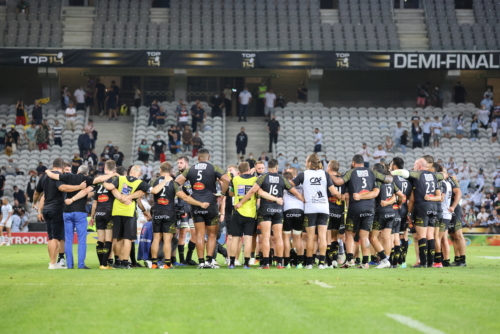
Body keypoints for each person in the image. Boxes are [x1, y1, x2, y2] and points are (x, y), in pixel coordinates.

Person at [236, 159, 303, 269]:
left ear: (267, 168)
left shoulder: (263, 177)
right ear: (277, 168)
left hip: (265, 208)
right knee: (278, 237)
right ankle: (280, 263)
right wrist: (303, 200)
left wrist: (241, 202)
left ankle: (266, 263)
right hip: (278, 209)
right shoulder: (282, 178)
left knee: (266, 237)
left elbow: (253, 191)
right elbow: (295, 192)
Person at [175, 148, 230, 269]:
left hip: (195, 204)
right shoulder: (214, 168)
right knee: (212, 235)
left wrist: (185, 196)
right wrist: (222, 193)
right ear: (208, 157)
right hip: (211, 203)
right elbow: (226, 179)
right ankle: (209, 261)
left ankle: (201, 262)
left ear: (198, 157)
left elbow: (176, 182)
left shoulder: (190, 169)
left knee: (199, 234)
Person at [150, 162, 210, 269]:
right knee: (168, 240)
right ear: (171, 171)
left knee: (156, 238)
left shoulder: (154, 181)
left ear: (160, 170)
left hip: (157, 211)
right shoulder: (174, 183)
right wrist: (200, 204)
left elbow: (150, 192)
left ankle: (154, 263)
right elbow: (185, 198)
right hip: (169, 212)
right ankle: (167, 264)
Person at [33, 158, 87, 269]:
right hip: (56, 209)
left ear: (53, 165)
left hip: (47, 209)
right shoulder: (59, 177)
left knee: (51, 237)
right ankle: (53, 263)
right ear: (62, 167)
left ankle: (54, 261)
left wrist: (35, 203)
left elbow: (37, 193)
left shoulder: (43, 177)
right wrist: (79, 187)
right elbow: (62, 188)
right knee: (56, 238)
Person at [290, 154, 342, 269]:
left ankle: (309, 263)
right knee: (322, 237)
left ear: (309, 163)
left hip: (310, 208)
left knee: (310, 237)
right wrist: (340, 196)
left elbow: (290, 185)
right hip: (323, 208)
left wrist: (299, 196)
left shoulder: (303, 174)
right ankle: (322, 264)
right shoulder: (325, 174)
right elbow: (334, 192)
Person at [331, 155, 382, 268]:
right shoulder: (372, 173)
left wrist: (328, 173)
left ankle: (350, 260)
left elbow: (339, 182)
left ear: (353, 162)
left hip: (355, 208)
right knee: (364, 236)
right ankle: (365, 262)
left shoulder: (351, 172)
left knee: (349, 234)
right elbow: (387, 179)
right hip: (369, 208)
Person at [45, 166, 100, 269]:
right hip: (79, 212)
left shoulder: (68, 177)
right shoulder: (88, 179)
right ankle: (81, 264)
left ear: (77, 171)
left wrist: (47, 171)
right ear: (86, 173)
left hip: (67, 211)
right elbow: (86, 192)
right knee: (82, 239)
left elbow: (53, 176)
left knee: (68, 239)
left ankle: (70, 265)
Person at [391, 158, 441, 268]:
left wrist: (389, 172)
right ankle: (430, 262)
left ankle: (423, 263)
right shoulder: (433, 176)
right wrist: (431, 199)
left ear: (418, 166)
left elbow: (402, 172)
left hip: (422, 207)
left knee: (421, 235)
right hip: (433, 208)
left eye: (414, 165)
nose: (413, 167)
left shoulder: (418, 174)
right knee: (430, 236)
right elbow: (439, 196)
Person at [103, 165, 151, 269]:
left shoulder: (120, 179)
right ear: (138, 173)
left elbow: (110, 187)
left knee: (118, 238)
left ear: (130, 171)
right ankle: (125, 262)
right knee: (128, 239)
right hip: (129, 212)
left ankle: (118, 261)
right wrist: (130, 197)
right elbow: (148, 191)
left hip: (116, 211)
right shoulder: (140, 183)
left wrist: (120, 197)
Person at [227, 163, 258, 269]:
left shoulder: (235, 179)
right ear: (249, 169)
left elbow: (231, 194)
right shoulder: (255, 180)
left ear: (239, 171)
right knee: (248, 239)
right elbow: (257, 194)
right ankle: (246, 263)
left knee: (235, 238)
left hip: (237, 211)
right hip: (250, 213)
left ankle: (231, 263)